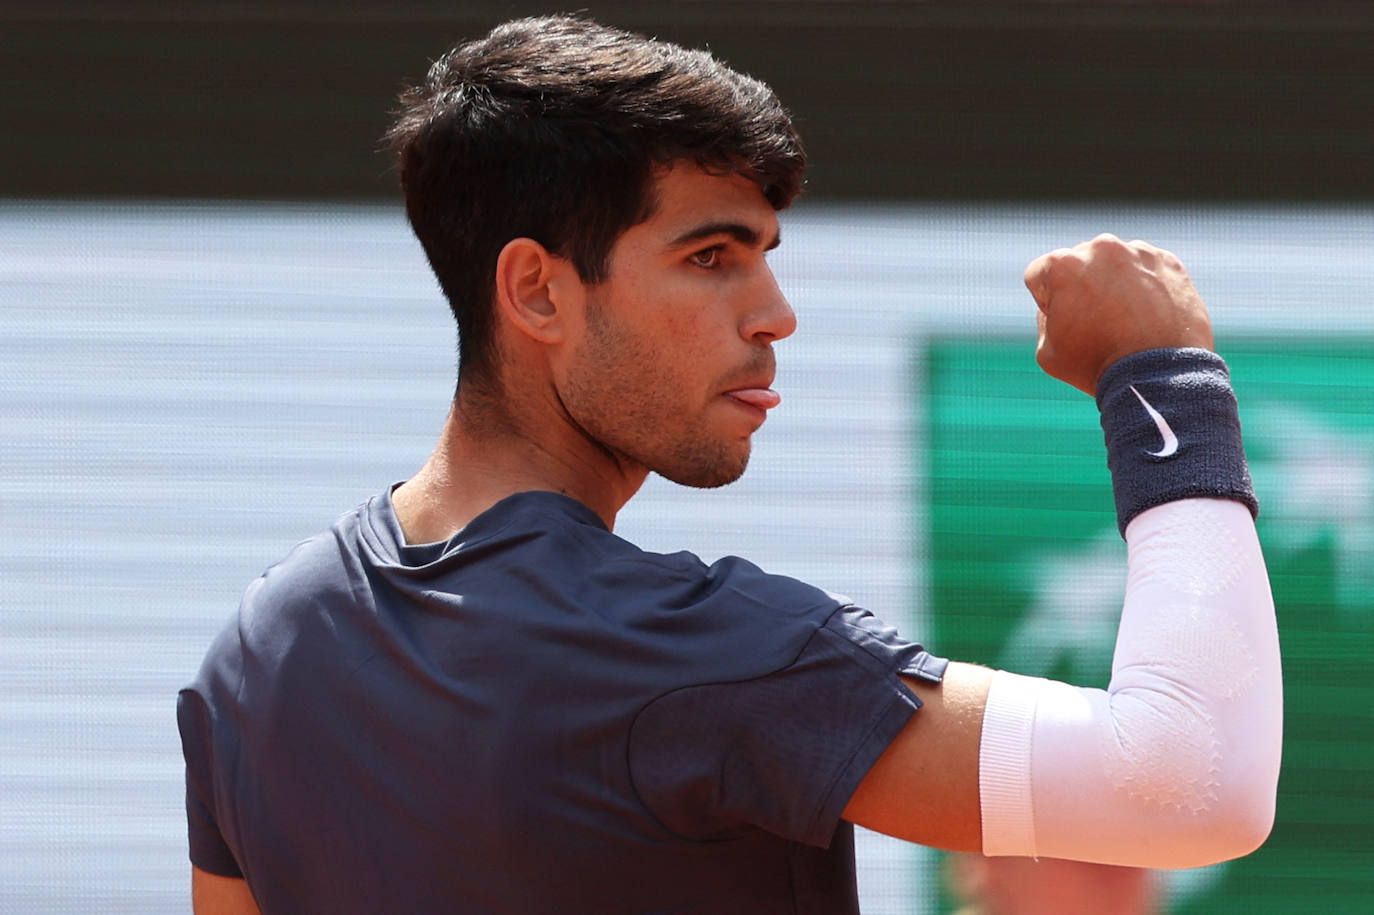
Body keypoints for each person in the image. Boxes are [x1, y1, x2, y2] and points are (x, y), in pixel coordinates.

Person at [177, 14, 1282, 915]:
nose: (775, 315)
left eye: (765, 256)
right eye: (709, 257)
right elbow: (1196, 785)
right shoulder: (695, 651)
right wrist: (1164, 379)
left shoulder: (257, 651)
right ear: (537, 290)